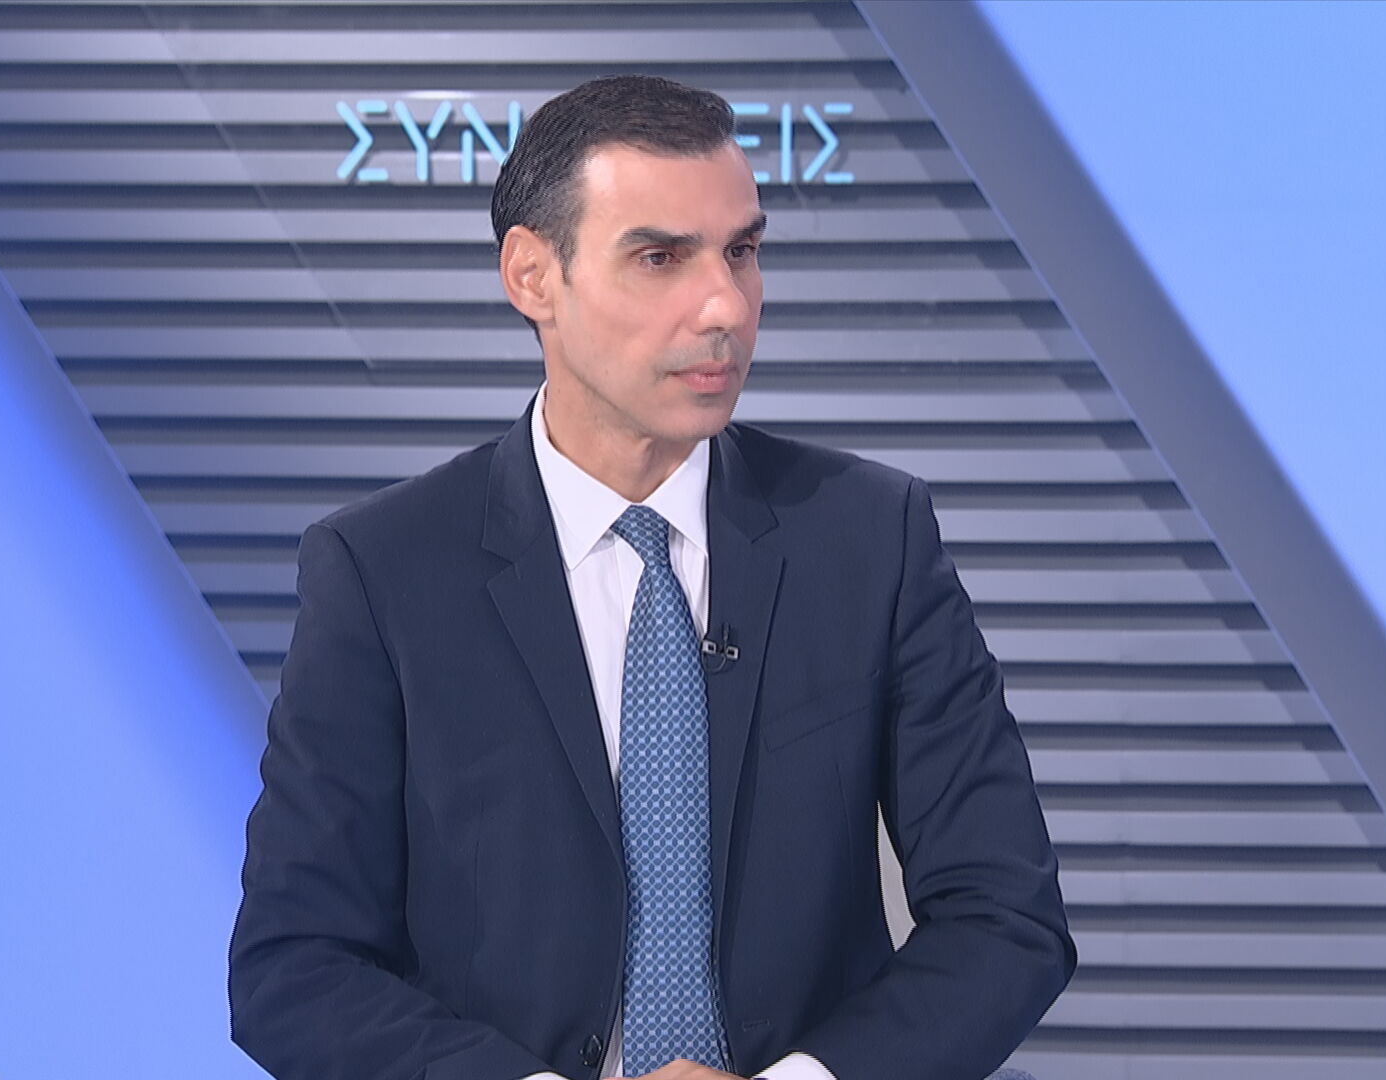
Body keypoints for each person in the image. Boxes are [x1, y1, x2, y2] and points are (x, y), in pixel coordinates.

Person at [228, 75, 1074, 1080]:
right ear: (533, 275)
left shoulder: (870, 539)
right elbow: (295, 966)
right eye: (661, 258)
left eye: (742, 251)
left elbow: (1004, 917)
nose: (725, 306)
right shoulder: (383, 572)